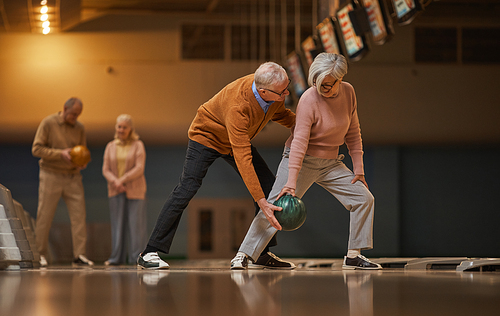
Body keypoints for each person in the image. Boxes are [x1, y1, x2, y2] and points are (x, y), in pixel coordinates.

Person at [137, 62, 296, 270]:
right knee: (187, 188)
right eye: (282, 91)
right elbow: (242, 157)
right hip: (206, 138)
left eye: (287, 86)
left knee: (269, 186)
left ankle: (260, 253)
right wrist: (261, 202)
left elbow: (281, 113)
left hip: (234, 139)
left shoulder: (273, 91)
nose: (287, 93)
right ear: (264, 91)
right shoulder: (238, 106)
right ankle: (149, 252)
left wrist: (307, 125)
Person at [231, 53, 382, 270]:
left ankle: (353, 255)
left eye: (327, 84)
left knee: (364, 198)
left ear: (340, 79)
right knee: (275, 205)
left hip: (331, 163)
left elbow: (353, 132)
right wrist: (291, 183)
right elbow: (300, 141)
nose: (321, 88)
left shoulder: (349, 92)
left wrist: (359, 169)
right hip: (301, 160)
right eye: (316, 82)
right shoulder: (309, 98)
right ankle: (244, 254)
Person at [32, 97, 94, 267]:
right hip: (50, 174)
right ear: (65, 109)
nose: (75, 117)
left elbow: (83, 150)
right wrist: (61, 153)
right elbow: (36, 149)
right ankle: (40, 254)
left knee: (79, 216)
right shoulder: (48, 123)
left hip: (73, 177)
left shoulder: (79, 127)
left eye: (78, 115)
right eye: (73, 114)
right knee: (45, 215)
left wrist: (82, 162)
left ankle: (79, 255)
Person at [102, 114, 147, 265]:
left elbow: (139, 168)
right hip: (115, 190)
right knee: (117, 225)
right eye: (119, 126)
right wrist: (116, 181)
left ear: (130, 129)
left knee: (136, 226)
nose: (121, 130)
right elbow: (105, 169)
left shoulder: (138, 145)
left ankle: (136, 258)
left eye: (124, 127)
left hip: (135, 190)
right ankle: (116, 258)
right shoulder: (110, 146)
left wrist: (122, 179)